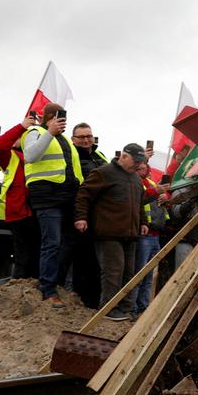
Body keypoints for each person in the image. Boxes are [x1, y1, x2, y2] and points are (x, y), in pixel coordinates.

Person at [74, 143, 147, 321]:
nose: (138, 165)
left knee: (129, 272)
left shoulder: (136, 179)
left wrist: (143, 222)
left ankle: (126, 308)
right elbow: (83, 194)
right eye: (135, 161)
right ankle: (108, 309)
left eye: (140, 162)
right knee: (113, 270)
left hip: (130, 234)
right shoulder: (104, 172)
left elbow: (139, 203)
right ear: (124, 156)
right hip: (108, 232)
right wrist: (80, 217)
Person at [21, 103, 83, 306]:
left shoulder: (65, 140)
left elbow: (74, 170)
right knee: (52, 243)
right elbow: (30, 156)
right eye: (58, 117)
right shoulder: (35, 132)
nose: (62, 122)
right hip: (47, 197)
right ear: (48, 117)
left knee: (67, 244)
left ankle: (55, 284)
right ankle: (48, 290)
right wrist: (49, 132)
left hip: (67, 197)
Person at [0, 114, 41, 280]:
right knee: (23, 256)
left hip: (36, 209)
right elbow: (0, 146)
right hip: (20, 211)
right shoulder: (11, 156)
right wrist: (21, 127)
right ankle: (20, 291)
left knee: (36, 254)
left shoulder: (36, 154)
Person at [69, 122, 108, 307]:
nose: (86, 140)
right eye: (81, 137)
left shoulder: (99, 156)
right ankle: (82, 302)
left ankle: (94, 303)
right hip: (82, 215)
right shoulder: (71, 155)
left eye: (88, 136)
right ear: (73, 140)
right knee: (82, 261)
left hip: (101, 216)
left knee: (97, 262)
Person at [134, 159, 169, 317]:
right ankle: (133, 308)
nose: (144, 171)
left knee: (148, 275)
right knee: (139, 274)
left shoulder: (150, 181)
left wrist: (164, 197)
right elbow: (139, 200)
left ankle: (143, 306)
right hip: (144, 234)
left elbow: (159, 199)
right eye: (140, 168)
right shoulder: (135, 183)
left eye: (145, 168)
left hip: (155, 234)